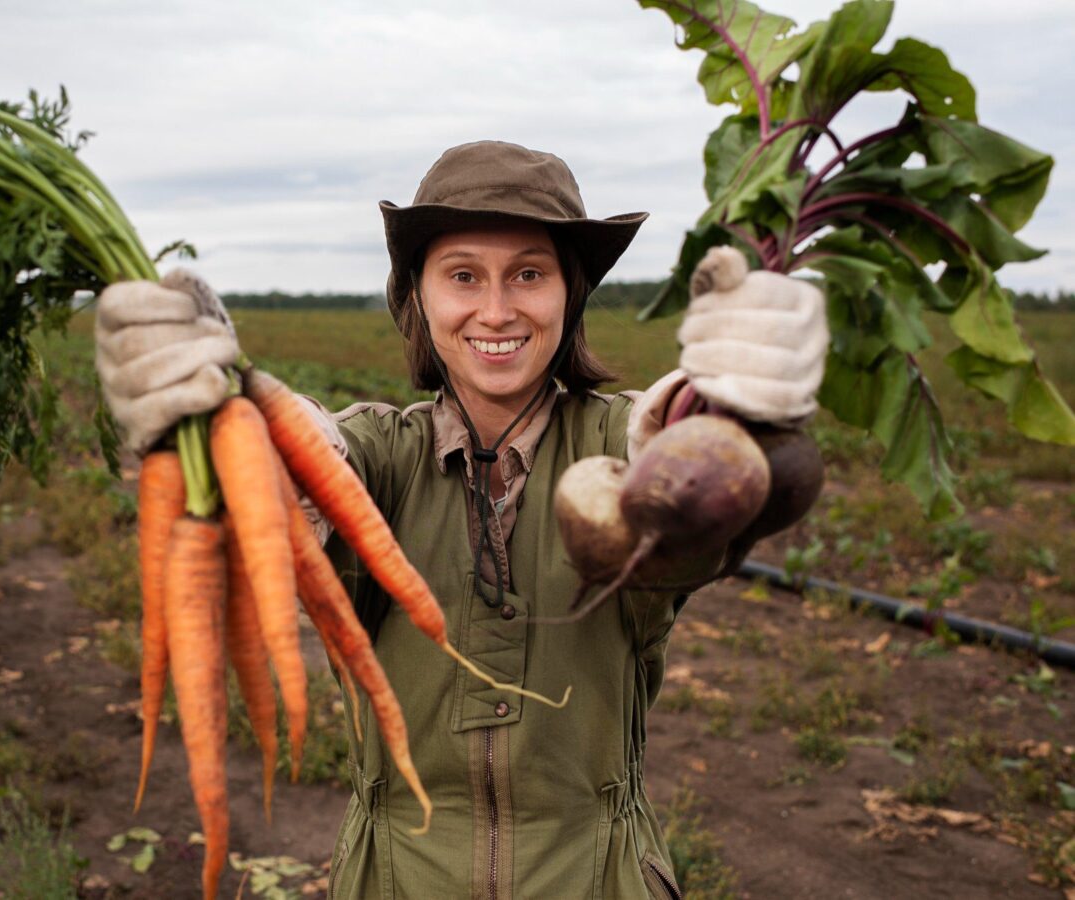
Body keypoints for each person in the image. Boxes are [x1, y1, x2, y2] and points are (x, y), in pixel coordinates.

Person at [94, 140, 827, 899]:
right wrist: (222, 405)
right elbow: (314, 453)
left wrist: (736, 405)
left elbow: (674, 456)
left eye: (530, 275)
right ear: (419, 295)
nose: (497, 310)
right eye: (464, 275)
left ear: (570, 294)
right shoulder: (382, 455)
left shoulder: (617, 446)